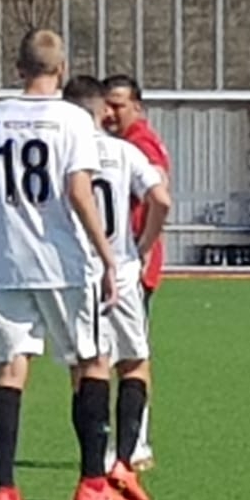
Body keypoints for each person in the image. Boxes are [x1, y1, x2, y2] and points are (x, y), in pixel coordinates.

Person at [0, 30, 139, 500]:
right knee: (91, 361)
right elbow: (79, 191)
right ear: (61, 70)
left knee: (9, 369)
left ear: (18, 68)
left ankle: (5, 491)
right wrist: (106, 255)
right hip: (62, 262)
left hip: (5, 262)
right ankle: (91, 483)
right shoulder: (73, 119)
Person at [64, 76, 171, 500]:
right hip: (122, 270)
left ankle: (93, 468)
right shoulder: (124, 151)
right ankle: (125, 459)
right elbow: (162, 199)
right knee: (134, 363)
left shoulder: (64, 153)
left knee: (86, 369)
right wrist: (143, 247)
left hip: (78, 271)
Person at [102, 73, 171, 470]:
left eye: (119, 105)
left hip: (132, 267)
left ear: (137, 108)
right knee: (120, 354)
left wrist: (143, 246)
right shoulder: (123, 143)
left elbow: (160, 194)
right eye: (107, 105)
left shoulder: (140, 144)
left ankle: (137, 443)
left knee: (131, 355)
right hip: (122, 263)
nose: (111, 113)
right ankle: (129, 440)